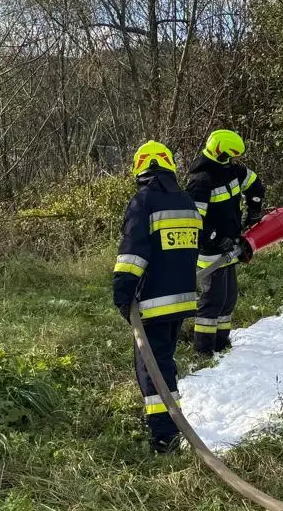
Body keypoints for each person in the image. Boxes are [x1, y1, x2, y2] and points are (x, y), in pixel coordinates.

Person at [113, 140, 201, 454]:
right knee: (163, 363)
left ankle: (164, 437)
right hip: (182, 300)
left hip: (152, 302)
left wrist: (122, 292)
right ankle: (169, 425)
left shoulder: (143, 202)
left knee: (152, 369)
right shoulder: (187, 202)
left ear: (140, 170)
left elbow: (133, 254)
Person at [184, 128, 266, 355]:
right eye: (228, 156)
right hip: (211, 252)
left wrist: (254, 209)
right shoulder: (201, 181)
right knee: (212, 301)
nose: (232, 161)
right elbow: (194, 222)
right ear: (219, 152)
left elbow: (256, 185)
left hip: (232, 246)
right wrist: (214, 240)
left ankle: (222, 344)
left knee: (228, 300)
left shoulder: (233, 170)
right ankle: (204, 351)